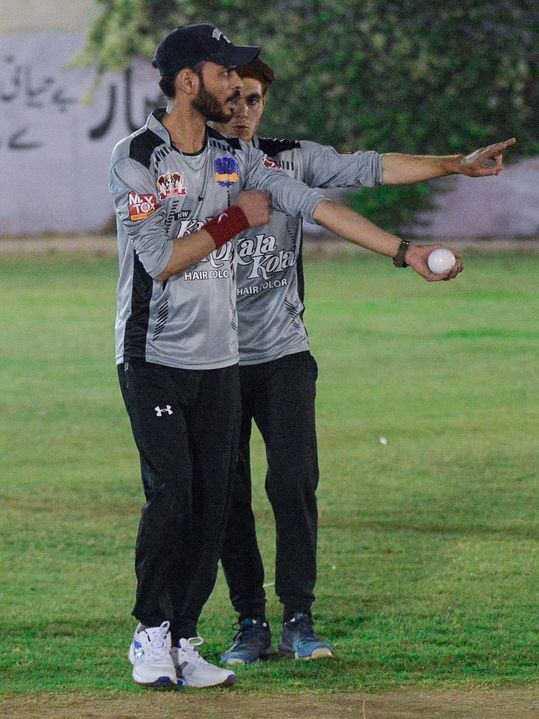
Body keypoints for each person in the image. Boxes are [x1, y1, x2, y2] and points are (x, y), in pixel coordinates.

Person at [211, 57, 516, 665]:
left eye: (254, 99)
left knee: (293, 483)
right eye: (234, 99)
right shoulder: (190, 168)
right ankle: (249, 621)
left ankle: (298, 618)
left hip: (282, 353)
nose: (243, 111)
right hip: (209, 359)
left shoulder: (291, 160)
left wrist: (454, 164)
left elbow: (370, 167)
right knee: (226, 492)